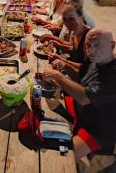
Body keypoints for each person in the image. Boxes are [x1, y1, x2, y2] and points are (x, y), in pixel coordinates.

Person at [43, 28, 116, 161]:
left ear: (112, 45)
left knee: (60, 157)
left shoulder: (113, 76)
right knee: (43, 107)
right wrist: (64, 64)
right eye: (88, 45)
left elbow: (84, 98)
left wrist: (59, 77)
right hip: (82, 114)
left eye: (97, 45)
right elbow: (82, 72)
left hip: (98, 129)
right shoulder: (97, 58)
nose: (91, 50)